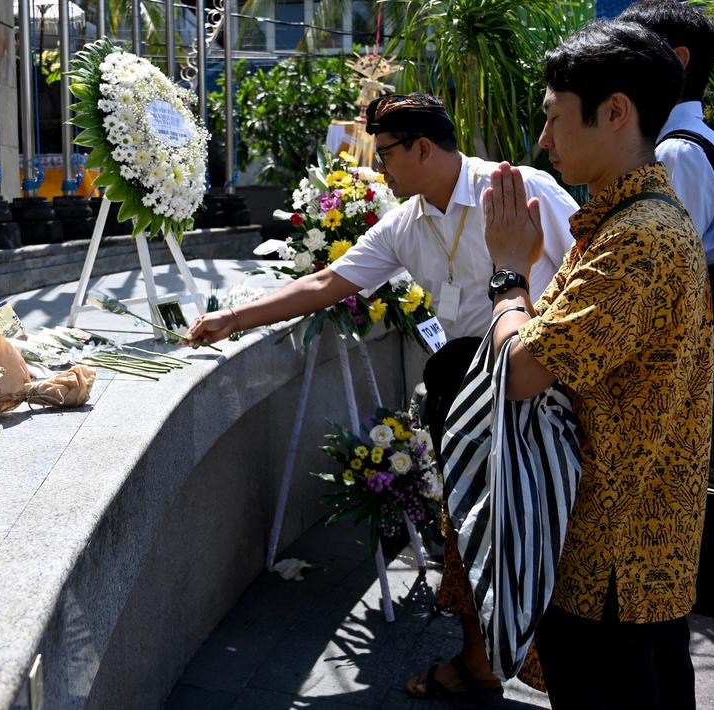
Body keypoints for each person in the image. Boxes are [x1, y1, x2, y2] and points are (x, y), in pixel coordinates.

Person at [185, 92, 579, 698]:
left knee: (551, 535)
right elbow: (326, 281)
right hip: (467, 400)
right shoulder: (406, 222)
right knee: (469, 529)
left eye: (387, 153)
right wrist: (234, 318)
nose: (381, 168)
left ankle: (572, 675)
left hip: (543, 388)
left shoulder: (519, 188)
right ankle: (477, 662)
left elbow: (586, 270)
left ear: (423, 148)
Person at [481, 20, 711, 709]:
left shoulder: (637, 240)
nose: (543, 140)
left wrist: (504, 279)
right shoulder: (624, 222)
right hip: (622, 552)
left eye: (553, 118)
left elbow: (522, 369)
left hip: (615, 562)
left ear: (614, 112)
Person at [620, 0, 714, 264]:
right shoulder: (694, 139)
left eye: (628, 53)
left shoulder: (677, 151)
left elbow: (666, 266)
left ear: (677, 61)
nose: (615, 67)